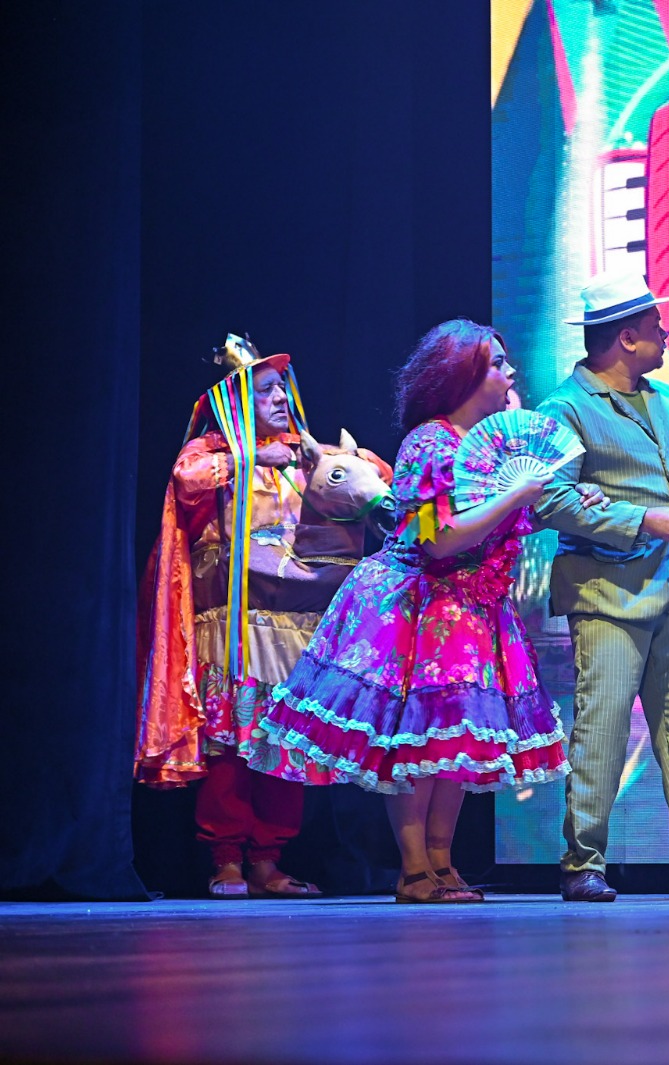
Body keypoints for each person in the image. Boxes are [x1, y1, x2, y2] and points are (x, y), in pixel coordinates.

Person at [259, 320, 585, 903]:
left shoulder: (492, 447)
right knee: (418, 741)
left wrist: (541, 506)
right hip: (420, 603)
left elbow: (492, 528)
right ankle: (414, 869)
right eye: (497, 363)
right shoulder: (431, 445)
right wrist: (517, 494)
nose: (510, 372)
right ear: (464, 375)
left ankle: (441, 861)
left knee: (453, 742)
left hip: (473, 606)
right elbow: (438, 539)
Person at [136, 335, 395, 898]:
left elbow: (372, 477)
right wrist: (252, 458)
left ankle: (268, 860)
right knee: (232, 743)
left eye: (282, 389)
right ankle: (226, 856)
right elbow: (186, 480)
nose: (280, 398)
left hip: (296, 627)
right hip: (233, 628)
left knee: (284, 744)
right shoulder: (214, 452)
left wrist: (339, 461)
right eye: (266, 390)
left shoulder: (304, 451)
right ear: (235, 401)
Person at [535, 269, 669, 903]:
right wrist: (639, 520)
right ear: (627, 338)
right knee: (601, 729)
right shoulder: (565, 409)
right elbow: (548, 498)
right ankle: (583, 862)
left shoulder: (667, 402)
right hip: (607, 591)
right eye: (656, 326)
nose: (665, 336)